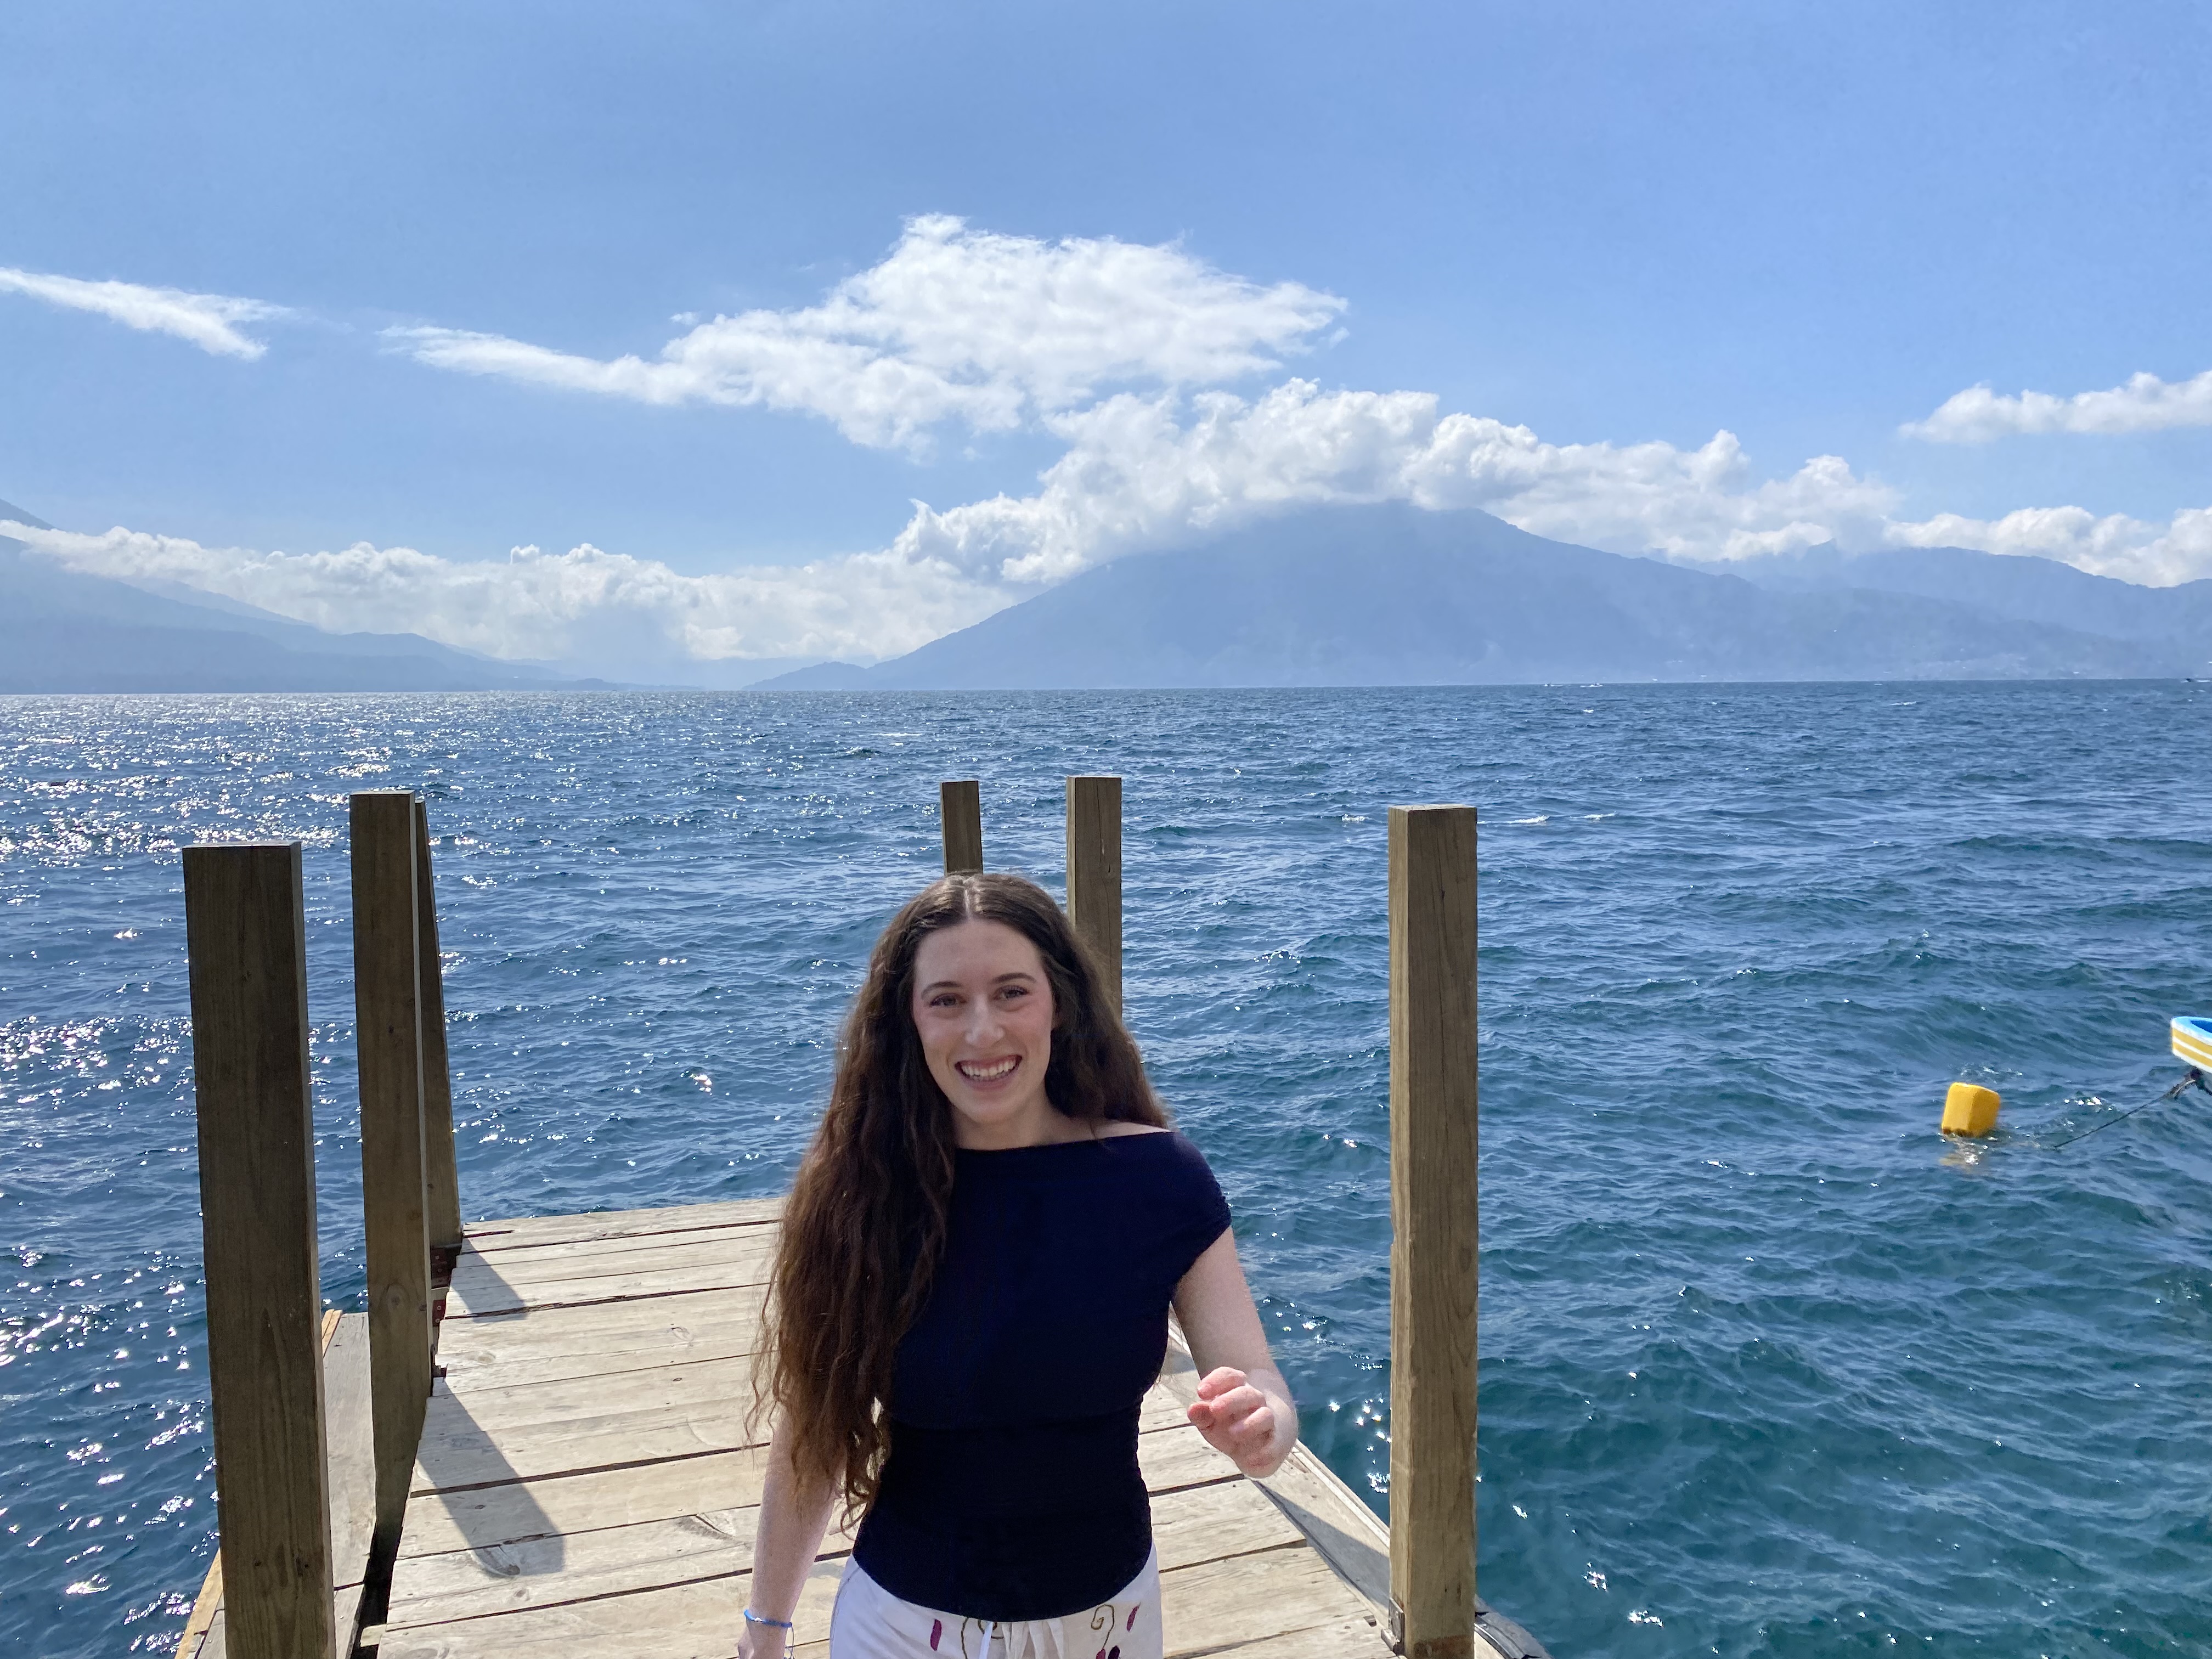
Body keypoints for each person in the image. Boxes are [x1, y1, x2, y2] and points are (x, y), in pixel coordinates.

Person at [738, 871, 1298, 1659]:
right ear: (907, 1020)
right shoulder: (860, 1195)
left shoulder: (1162, 1180)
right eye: (946, 1000)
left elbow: (1257, 1374)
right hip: (902, 1625)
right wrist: (765, 1634)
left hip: (1111, 1626)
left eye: (1010, 993)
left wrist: (1264, 1425)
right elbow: (814, 1435)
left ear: (1059, 1003)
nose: (982, 1032)